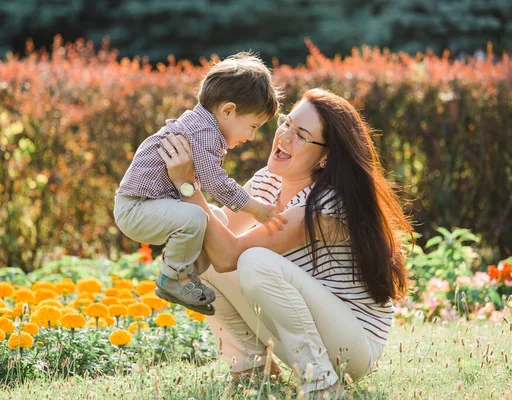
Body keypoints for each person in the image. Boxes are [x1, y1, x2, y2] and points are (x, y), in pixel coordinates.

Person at [157, 88, 413, 397]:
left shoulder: (324, 205)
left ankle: (323, 386)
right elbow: (217, 234)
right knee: (199, 234)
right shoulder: (268, 179)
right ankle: (252, 370)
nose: (285, 136)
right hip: (304, 330)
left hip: (351, 347)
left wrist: (188, 186)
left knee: (252, 260)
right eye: (286, 123)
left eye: (301, 135)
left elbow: (229, 257)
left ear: (326, 156)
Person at [113, 52, 285, 315]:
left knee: (216, 219)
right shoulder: (204, 134)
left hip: (152, 205)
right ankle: (174, 278)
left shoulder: (202, 127)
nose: (251, 137)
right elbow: (217, 184)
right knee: (195, 216)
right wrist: (255, 208)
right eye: (252, 126)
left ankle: (185, 278)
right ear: (228, 110)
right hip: (137, 208)